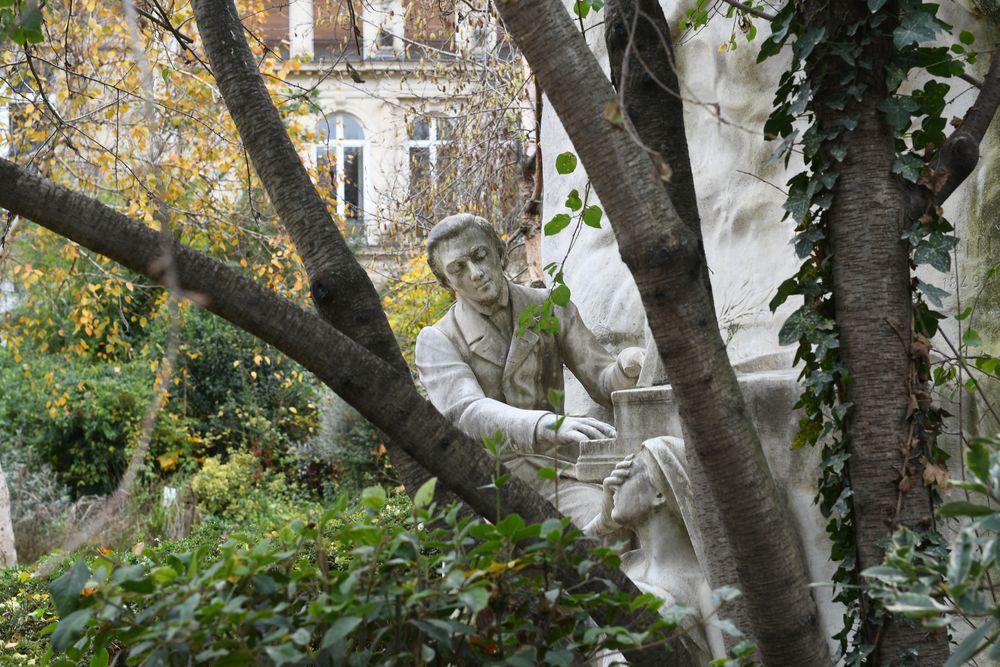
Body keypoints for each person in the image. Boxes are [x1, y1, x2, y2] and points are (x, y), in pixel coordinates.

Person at [415, 213, 644, 524]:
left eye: (480, 255)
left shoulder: (549, 307)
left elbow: (602, 382)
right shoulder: (438, 340)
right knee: (605, 522)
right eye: (458, 269)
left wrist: (628, 368)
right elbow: (467, 412)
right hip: (496, 484)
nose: (476, 273)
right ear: (446, 282)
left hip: (564, 467)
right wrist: (547, 425)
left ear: (500, 252)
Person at [584, 437, 725, 662]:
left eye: (627, 472)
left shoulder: (703, 584)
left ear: (659, 494)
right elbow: (554, 582)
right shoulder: (624, 565)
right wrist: (601, 524)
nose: (613, 483)